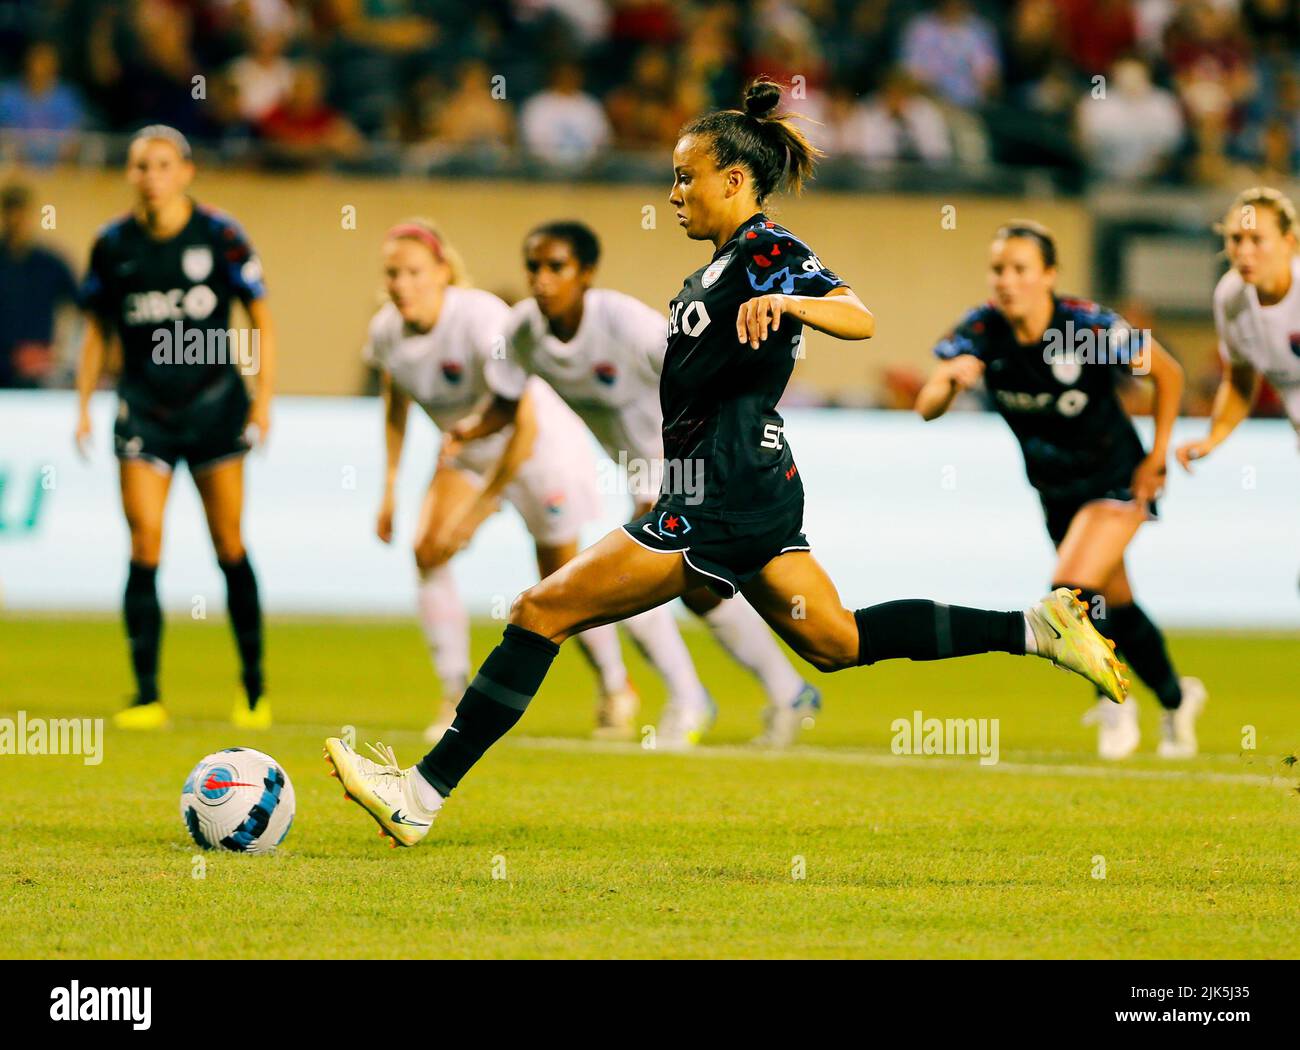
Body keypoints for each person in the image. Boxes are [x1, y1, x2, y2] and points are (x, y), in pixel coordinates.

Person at [323, 79, 1127, 847]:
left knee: (541, 610)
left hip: (723, 490)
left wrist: (790, 302)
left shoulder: (766, 248)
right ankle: (1036, 627)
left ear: (735, 179)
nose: (673, 194)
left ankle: (419, 796)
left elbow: (860, 316)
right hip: (750, 486)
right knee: (837, 641)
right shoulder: (711, 269)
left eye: (686, 177)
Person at [445, 219, 821, 748]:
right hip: (643, 470)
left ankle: (691, 701)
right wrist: (470, 428)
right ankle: (787, 692)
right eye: (533, 267)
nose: (542, 280)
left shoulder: (625, 324)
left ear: (587, 274)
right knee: (703, 591)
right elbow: (505, 404)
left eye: (557, 267)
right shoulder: (523, 331)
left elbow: (701, 375)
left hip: (690, 460)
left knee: (621, 582)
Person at [916, 220, 1205, 759]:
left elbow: (1167, 374)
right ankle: (1175, 697)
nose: (1007, 280)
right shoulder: (981, 331)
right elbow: (925, 409)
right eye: (998, 268)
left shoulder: (1085, 328)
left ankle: (1114, 702)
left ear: (1048, 275)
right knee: (1112, 603)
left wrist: (1158, 456)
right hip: (1055, 493)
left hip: (1117, 480)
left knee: (1069, 591)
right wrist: (949, 380)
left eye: (1020, 269)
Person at [365, 218, 635, 742]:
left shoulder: (482, 319)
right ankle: (452, 694)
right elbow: (394, 400)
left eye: (415, 272)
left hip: (538, 453)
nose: (402, 285)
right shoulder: (385, 331)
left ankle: (616, 685)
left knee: (563, 588)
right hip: (468, 452)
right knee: (428, 550)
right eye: (392, 274)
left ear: (444, 272)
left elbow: (524, 424)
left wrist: (478, 510)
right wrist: (390, 488)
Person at [75, 125, 275, 730]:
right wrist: (83, 402)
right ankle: (145, 695)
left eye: (163, 165)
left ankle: (253, 688)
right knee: (144, 541)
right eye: (141, 166)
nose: (151, 176)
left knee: (229, 544)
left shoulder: (221, 235)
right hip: (144, 409)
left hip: (215, 406)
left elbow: (261, 317)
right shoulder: (112, 244)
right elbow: (97, 331)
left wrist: (263, 399)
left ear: (186, 172)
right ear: (130, 174)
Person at [1177, 187, 1300, 463]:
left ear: (1288, 243)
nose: (1244, 251)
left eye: (1257, 240)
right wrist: (1212, 439)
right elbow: (1240, 382)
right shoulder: (1230, 297)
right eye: (1236, 238)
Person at [0, 181, 78, 388]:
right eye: (10, 212)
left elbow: (84, 308)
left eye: (20, 212)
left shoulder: (50, 264)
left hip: (39, 374)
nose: (15, 220)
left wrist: (62, 354)